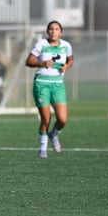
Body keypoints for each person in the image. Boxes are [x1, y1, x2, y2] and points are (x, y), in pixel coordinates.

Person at [25, 20, 73, 158]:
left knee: (62, 119)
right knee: (46, 119)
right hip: (42, 84)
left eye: (56, 29)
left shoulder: (66, 46)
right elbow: (28, 61)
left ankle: (54, 134)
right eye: (51, 29)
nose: (53, 31)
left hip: (58, 85)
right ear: (48, 31)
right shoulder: (41, 44)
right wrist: (42, 63)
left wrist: (66, 66)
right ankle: (43, 149)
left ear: (61, 32)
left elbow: (70, 60)